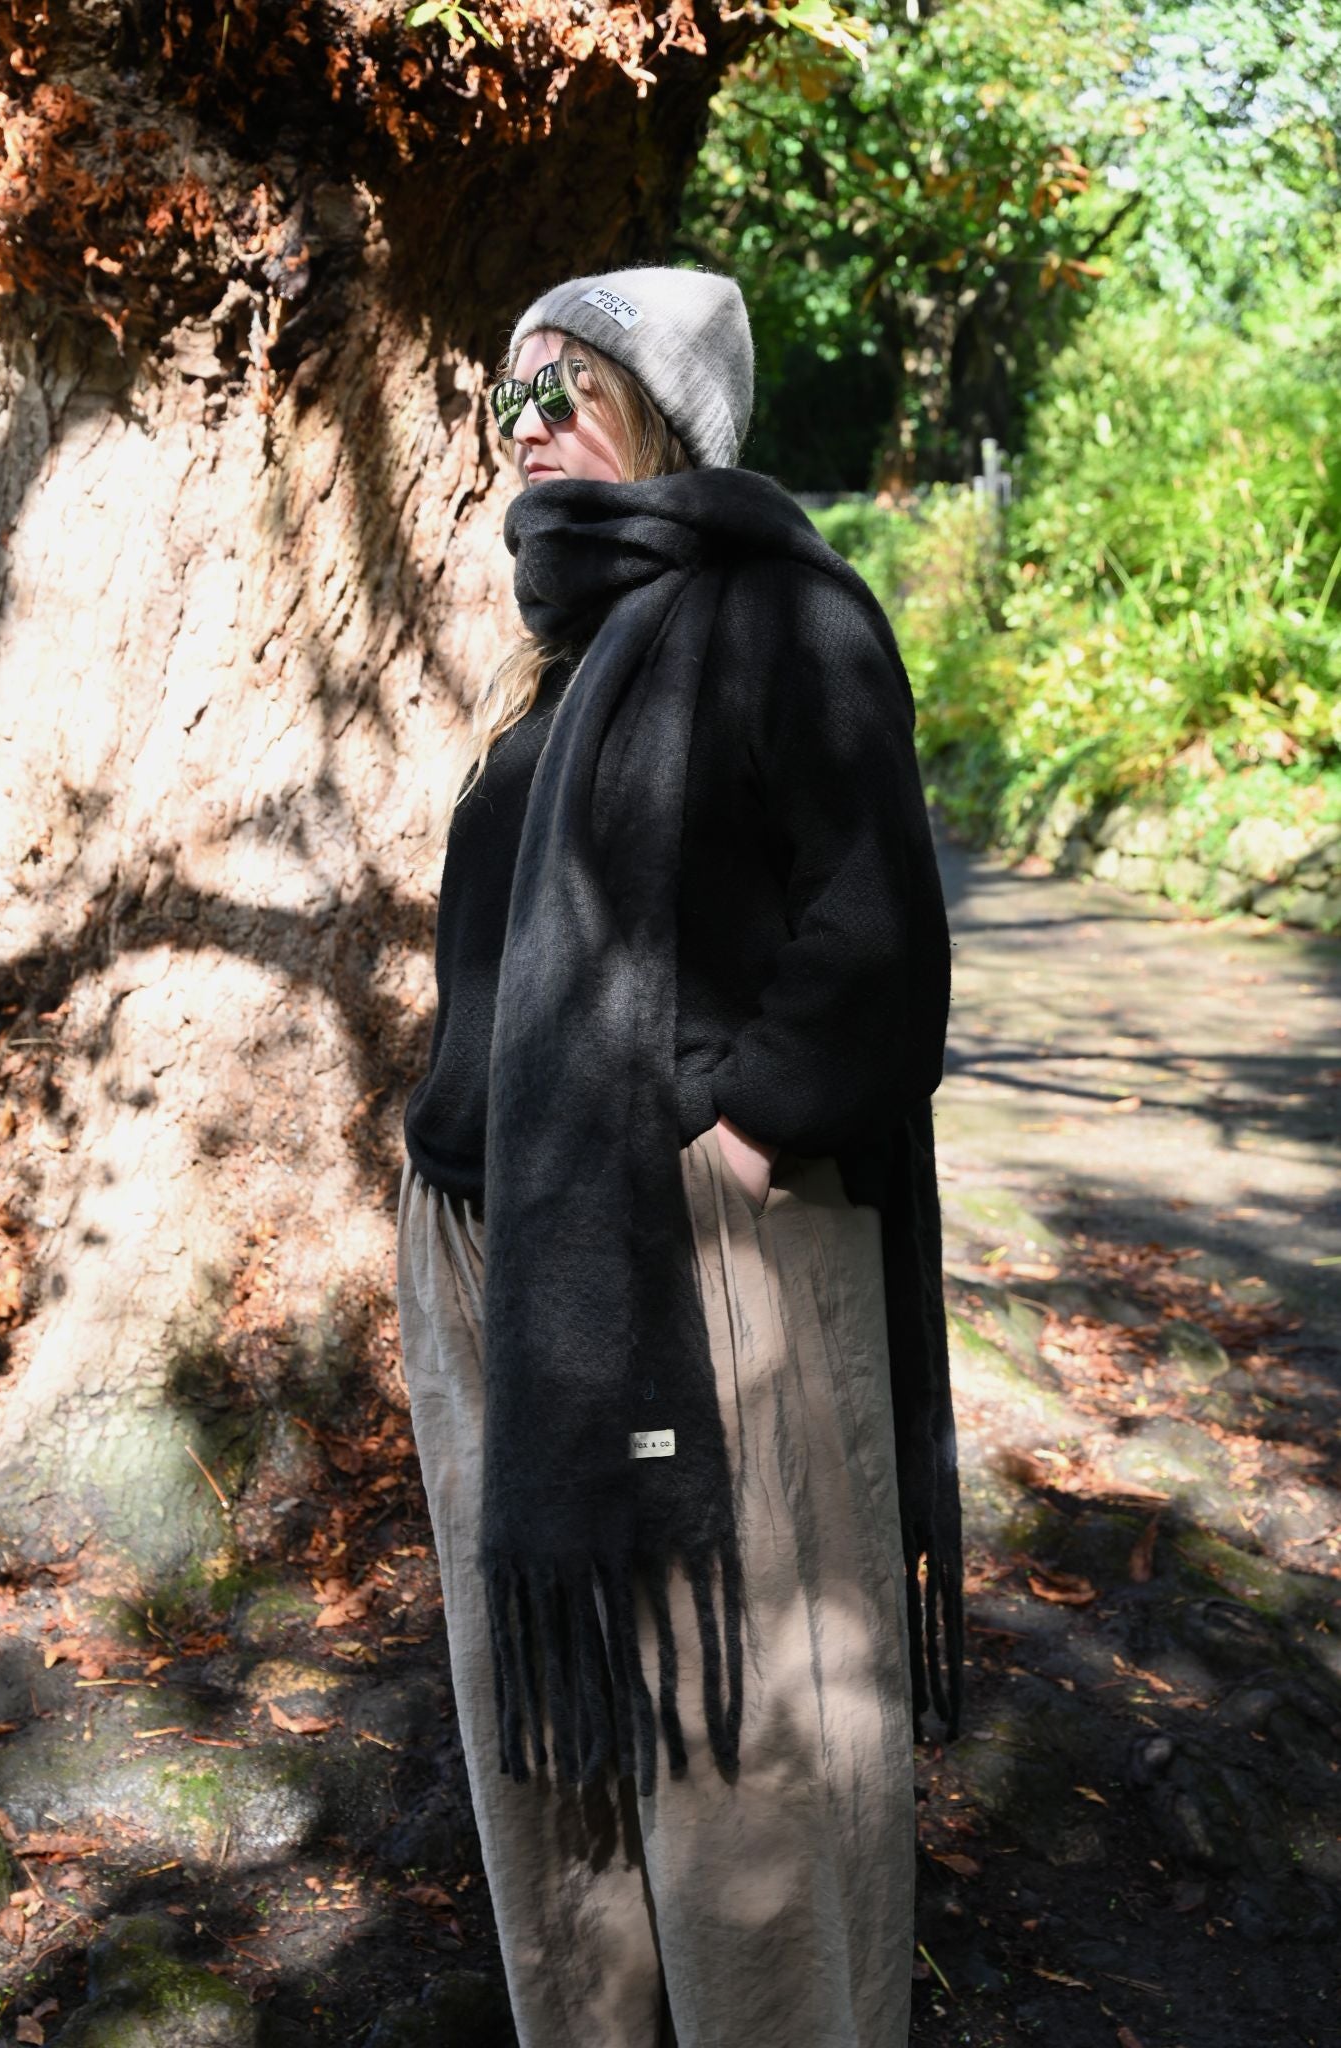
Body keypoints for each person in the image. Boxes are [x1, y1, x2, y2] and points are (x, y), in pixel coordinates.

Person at [396, 265, 963, 2048]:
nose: (530, 418)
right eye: (508, 395)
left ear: (670, 419)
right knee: (551, 1721)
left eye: (572, 382)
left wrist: (729, 1138)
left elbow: (878, 942)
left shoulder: (780, 613)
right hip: (506, 1259)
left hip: (701, 1258)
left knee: (748, 1746)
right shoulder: (556, 661)